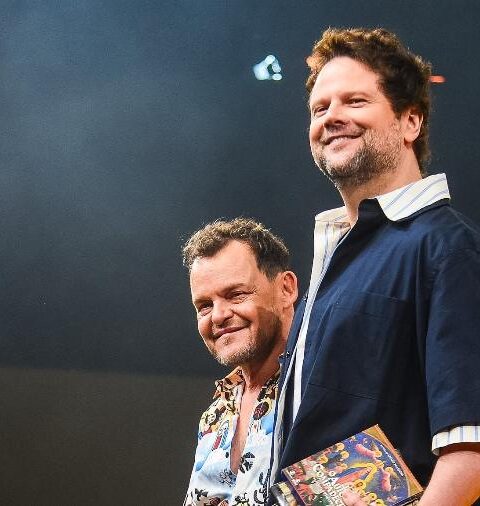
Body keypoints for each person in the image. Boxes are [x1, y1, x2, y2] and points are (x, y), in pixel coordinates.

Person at [270, 28, 480, 505]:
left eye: (355, 101)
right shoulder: (335, 255)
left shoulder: (448, 248)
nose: (331, 117)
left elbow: (469, 454)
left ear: (410, 121)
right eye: (319, 108)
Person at [182, 218, 298, 505]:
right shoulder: (215, 414)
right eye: (204, 306)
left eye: (236, 295)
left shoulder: (318, 385)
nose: (218, 315)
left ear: (285, 289)